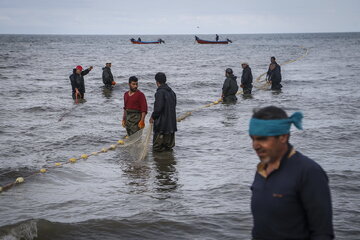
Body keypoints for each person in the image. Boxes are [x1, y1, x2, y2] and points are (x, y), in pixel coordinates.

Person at [249, 106, 334, 240]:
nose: (255, 145)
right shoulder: (261, 170)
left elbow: (322, 233)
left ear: (283, 137)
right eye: (253, 139)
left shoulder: (309, 172)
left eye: (262, 139)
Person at [150, 72, 177, 152]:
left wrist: (152, 117)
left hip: (162, 127)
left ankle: (160, 164)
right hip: (171, 126)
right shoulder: (172, 92)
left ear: (157, 82)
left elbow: (158, 109)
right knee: (169, 148)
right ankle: (169, 164)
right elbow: (174, 105)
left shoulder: (160, 92)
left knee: (157, 149)